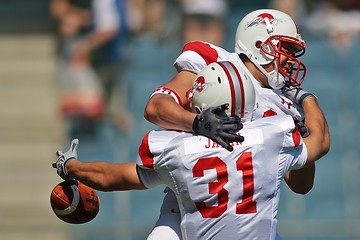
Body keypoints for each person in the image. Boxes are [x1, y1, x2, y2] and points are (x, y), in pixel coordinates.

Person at [52, 61, 329, 240]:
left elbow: (110, 177)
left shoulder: (178, 150)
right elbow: (320, 143)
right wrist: (306, 99)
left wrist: (71, 166)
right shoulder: (272, 135)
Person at [143, 8, 330, 239]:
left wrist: (301, 144)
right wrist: (198, 123)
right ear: (261, 44)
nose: (291, 60)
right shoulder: (217, 62)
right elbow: (156, 107)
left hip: (247, 217)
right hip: (189, 206)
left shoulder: (287, 105)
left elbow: (301, 186)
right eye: (287, 49)